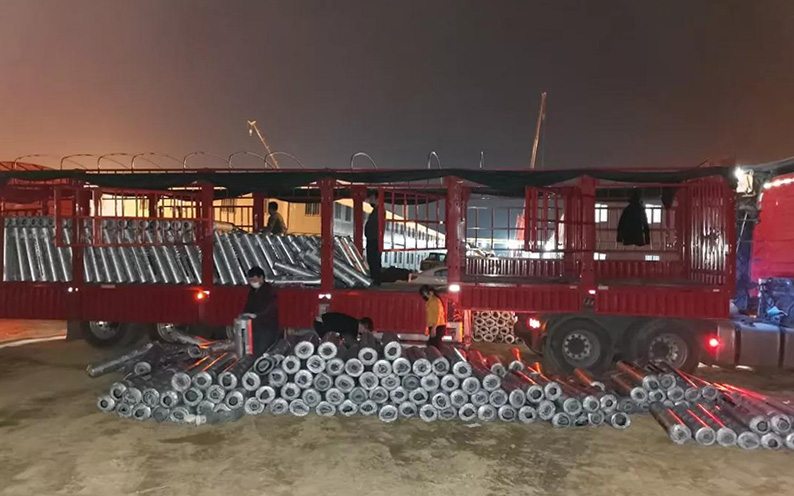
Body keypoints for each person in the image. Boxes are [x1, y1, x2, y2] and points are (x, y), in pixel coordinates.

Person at [241, 266, 280, 356]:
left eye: (254, 280)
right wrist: (245, 314)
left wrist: (258, 315)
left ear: (261, 278)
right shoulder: (253, 292)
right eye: (250, 280)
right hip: (255, 325)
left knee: (264, 349)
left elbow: (271, 307)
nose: (252, 282)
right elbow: (249, 305)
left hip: (267, 326)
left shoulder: (269, 290)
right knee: (255, 348)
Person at [364, 190, 382, 284]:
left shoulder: (379, 211)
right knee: (373, 260)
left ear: (377, 199)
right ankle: (375, 279)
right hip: (373, 238)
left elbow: (374, 225)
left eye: (371, 199)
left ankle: (376, 280)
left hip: (374, 239)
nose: (370, 201)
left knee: (373, 260)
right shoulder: (377, 210)